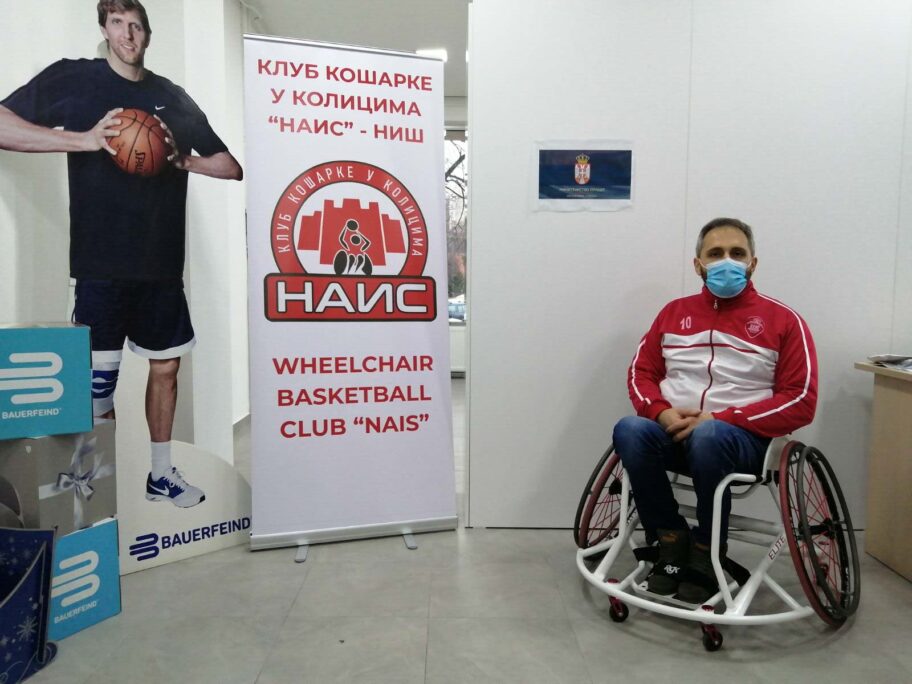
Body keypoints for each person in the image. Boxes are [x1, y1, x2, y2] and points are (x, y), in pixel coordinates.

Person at [0, 0, 242, 508]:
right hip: (100, 266)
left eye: (136, 25)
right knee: (98, 389)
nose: (127, 34)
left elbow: (230, 165)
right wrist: (84, 140)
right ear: (104, 29)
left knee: (167, 370)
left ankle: (160, 475)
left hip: (161, 268)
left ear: (147, 35)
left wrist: (184, 160)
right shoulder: (75, 79)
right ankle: (100, 491)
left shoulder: (171, 96)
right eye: (117, 23)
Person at [613, 217, 817, 603]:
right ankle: (670, 539)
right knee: (629, 429)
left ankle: (708, 551)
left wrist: (719, 419)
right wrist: (660, 412)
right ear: (698, 264)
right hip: (674, 433)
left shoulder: (784, 321)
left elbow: (801, 400)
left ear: (753, 263)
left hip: (742, 444)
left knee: (709, 435)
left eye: (737, 253)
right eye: (715, 253)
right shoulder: (672, 313)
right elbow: (641, 373)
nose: (727, 261)